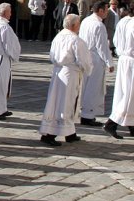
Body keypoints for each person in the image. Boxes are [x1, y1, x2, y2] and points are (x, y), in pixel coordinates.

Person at [39, 14, 93, 146]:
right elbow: (84, 60)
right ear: (74, 25)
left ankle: (70, 133)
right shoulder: (76, 40)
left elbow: (51, 55)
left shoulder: (58, 37)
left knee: (57, 102)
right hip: (70, 74)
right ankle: (50, 134)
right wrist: (88, 69)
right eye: (78, 23)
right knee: (66, 104)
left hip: (58, 72)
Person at [104, 0, 134, 139]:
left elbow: (115, 41)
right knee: (131, 93)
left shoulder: (123, 21)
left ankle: (132, 124)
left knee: (125, 91)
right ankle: (111, 123)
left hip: (124, 59)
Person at [78, 2, 113, 126]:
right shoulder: (99, 25)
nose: (107, 12)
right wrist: (109, 62)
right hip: (95, 58)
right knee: (93, 88)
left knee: (85, 86)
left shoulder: (86, 21)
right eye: (106, 10)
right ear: (100, 10)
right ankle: (88, 115)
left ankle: (84, 112)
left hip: (85, 56)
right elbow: (102, 46)